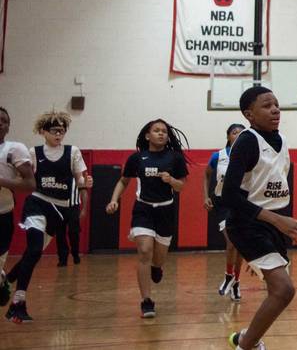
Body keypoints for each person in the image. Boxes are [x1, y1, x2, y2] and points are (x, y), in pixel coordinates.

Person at [223, 87, 297, 350]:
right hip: (249, 224)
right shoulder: (247, 141)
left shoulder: (281, 141)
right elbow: (229, 196)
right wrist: (276, 221)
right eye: (267, 105)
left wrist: (278, 226)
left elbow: (275, 189)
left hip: (271, 226)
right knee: (284, 290)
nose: (275, 109)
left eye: (277, 105)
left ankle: (247, 338)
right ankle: (246, 345)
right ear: (249, 114)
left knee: (277, 291)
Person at [4, 111, 92, 323]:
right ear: (43, 131)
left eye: (62, 131)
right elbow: (21, 178)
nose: (59, 134)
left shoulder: (73, 152)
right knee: (34, 250)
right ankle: (18, 303)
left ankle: (5, 282)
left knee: (30, 255)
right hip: (37, 203)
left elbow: (82, 181)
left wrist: (84, 202)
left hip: (59, 211)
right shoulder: (33, 153)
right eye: (54, 131)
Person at [105, 119, 191, 318]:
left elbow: (182, 186)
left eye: (164, 131)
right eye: (156, 130)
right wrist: (113, 200)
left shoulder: (175, 158)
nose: (161, 134)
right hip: (143, 209)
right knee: (144, 251)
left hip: (166, 211)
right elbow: (123, 181)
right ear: (147, 135)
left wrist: (171, 180)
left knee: (158, 257)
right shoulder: (137, 158)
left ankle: (157, 266)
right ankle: (146, 301)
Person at [205, 123, 246, 302]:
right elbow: (206, 175)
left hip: (243, 202)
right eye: (234, 132)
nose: (238, 135)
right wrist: (205, 196)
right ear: (228, 136)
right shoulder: (218, 156)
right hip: (223, 203)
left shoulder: (249, 155)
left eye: (241, 133)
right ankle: (229, 275)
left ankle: (236, 282)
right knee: (231, 242)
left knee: (239, 246)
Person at [0, 107, 33, 305]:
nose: (0, 122)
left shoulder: (14, 150)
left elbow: (30, 184)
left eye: (4, 120)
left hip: (2, 214)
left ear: (8, 127)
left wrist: (2, 181)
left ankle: (2, 279)